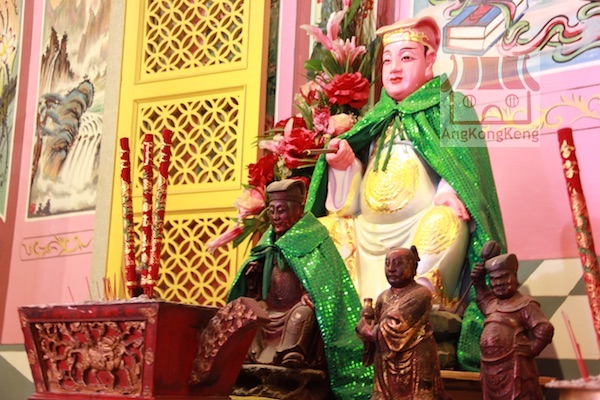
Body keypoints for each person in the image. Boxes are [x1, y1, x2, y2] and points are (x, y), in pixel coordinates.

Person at [305, 15, 506, 370]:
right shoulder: (377, 118)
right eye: (387, 60)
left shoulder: (452, 107)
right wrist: (345, 166)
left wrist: (450, 190)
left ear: (430, 60)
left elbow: (464, 170)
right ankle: (346, 310)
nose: (394, 68)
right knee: (327, 229)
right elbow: (347, 202)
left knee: (447, 222)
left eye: (407, 57)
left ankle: (412, 305)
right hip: (370, 234)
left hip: (417, 234)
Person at [228, 178, 372, 399]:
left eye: (282, 210)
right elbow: (254, 286)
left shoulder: (314, 240)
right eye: (272, 211)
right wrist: (253, 274)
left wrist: (311, 295)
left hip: (294, 308)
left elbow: (325, 283)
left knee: (303, 314)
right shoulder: (267, 244)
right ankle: (253, 353)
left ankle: (291, 354)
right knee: (249, 312)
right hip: (270, 308)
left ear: (298, 210)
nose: (276, 216)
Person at [356, 246, 448, 400]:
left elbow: (395, 327)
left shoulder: (420, 294)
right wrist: (367, 323)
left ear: (413, 267)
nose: (391, 269)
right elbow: (375, 326)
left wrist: (369, 332)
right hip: (386, 360)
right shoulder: (383, 297)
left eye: (398, 263)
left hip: (414, 358)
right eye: (387, 263)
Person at [472, 253, 554, 400]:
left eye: (503, 277)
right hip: (489, 370)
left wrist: (532, 348)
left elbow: (545, 328)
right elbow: (483, 298)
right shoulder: (493, 305)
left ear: (514, 276)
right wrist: (479, 283)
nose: (498, 283)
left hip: (516, 369)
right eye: (493, 279)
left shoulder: (525, 304)